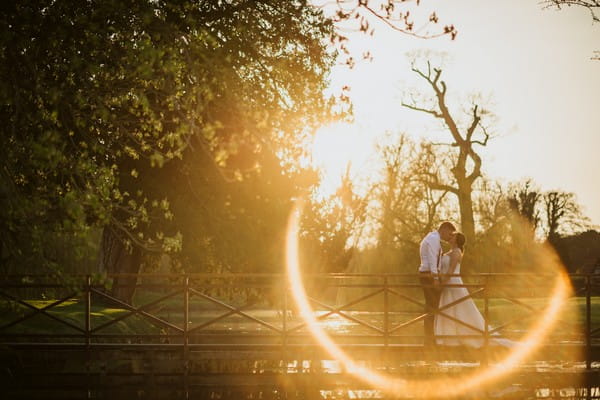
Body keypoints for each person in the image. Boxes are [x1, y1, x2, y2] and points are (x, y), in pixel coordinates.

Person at [434, 232, 513, 347]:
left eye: (453, 236)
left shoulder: (456, 252)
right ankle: (448, 337)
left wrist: (442, 284)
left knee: (459, 309)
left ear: (456, 240)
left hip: (453, 283)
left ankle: (462, 336)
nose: (450, 237)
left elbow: (451, 270)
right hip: (447, 283)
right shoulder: (449, 252)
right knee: (448, 309)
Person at [418, 221, 456, 347]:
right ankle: (429, 339)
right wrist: (435, 278)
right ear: (444, 229)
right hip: (428, 275)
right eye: (450, 234)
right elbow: (433, 259)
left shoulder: (433, 238)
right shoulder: (434, 239)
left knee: (432, 306)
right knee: (431, 307)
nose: (450, 237)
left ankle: (429, 338)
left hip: (428, 274)